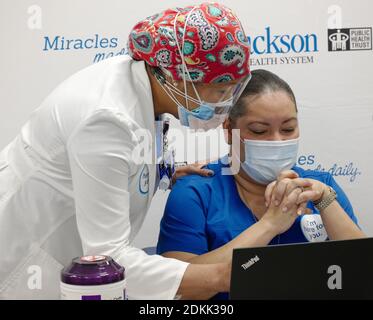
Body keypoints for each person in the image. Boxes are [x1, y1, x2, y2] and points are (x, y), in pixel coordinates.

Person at [0, 2, 251, 299]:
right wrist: (222, 276)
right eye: (220, 91)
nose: (227, 102)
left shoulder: (144, 83)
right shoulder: (106, 119)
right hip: (25, 262)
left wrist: (162, 170)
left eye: (234, 89)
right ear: (175, 76)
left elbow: (124, 157)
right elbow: (110, 259)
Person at [157, 69, 366, 299]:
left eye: (288, 129)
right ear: (229, 130)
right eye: (259, 130)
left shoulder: (321, 188)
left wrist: (326, 201)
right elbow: (179, 291)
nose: (277, 141)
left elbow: (363, 275)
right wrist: (269, 225)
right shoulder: (196, 192)